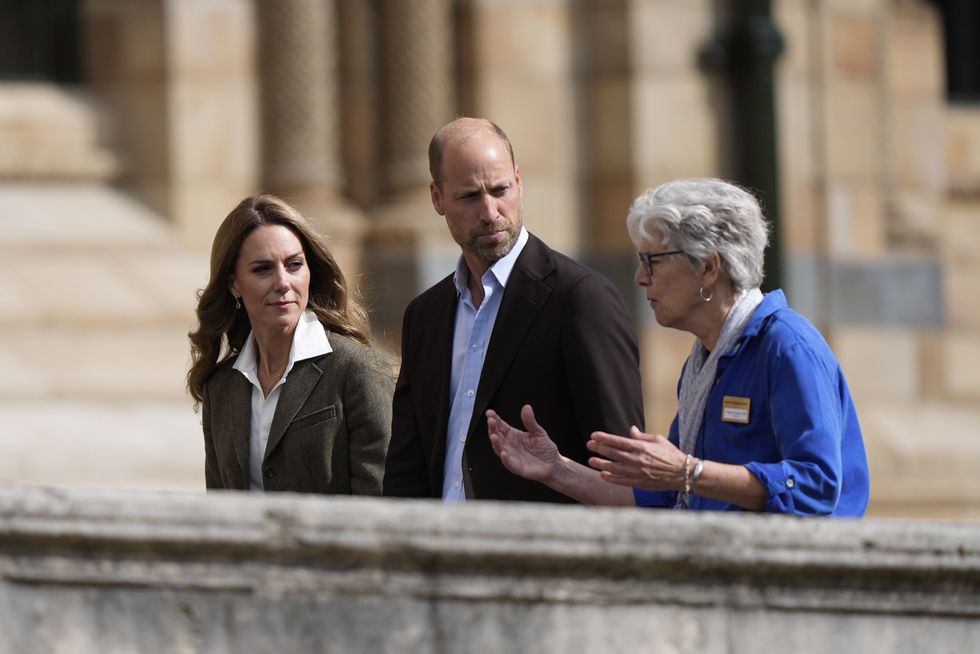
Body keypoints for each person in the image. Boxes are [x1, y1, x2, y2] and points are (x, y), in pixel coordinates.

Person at [487, 178, 870, 515]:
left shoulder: (787, 346)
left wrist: (689, 471)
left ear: (708, 267)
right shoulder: (704, 361)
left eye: (651, 261)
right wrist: (556, 469)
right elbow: (665, 497)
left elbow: (815, 487)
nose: (640, 278)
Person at [383, 117, 644, 502]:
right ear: (437, 198)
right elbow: (409, 467)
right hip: (440, 553)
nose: (490, 212)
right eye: (470, 196)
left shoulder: (582, 299)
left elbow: (621, 468)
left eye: (501, 189)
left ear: (519, 181)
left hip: (541, 555)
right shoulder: (425, 315)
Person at [187, 194, 393, 494]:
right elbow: (220, 511)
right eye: (262, 269)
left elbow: (382, 501)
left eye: (294, 264)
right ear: (234, 284)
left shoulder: (358, 369)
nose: (283, 282)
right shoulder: (219, 388)